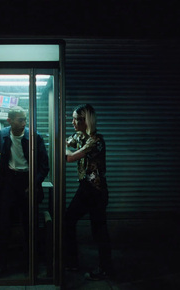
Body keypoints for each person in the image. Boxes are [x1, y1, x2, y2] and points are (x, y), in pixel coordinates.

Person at [0, 106, 49, 279]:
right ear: (9, 121)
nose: (24, 123)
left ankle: (30, 264)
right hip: (9, 183)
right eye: (20, 119)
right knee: (3, 226)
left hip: (28, 180)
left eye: (25, 119)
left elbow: (44, 165)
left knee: (30, 225)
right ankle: (0, 265)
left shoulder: (34, 136)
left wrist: (33, 184)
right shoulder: (3, 135)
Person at [65, 104, 114, 280]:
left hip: (96, 190)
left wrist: (63, 148)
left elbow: (69, 157)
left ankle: (105, 268)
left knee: (98, 229)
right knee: (68, 220)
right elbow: (65, 143)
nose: (72, 122)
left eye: (76, 119)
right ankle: (72, 262)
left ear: (86, 120)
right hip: (86, 188)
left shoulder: (96, 141)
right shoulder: (79, 136)